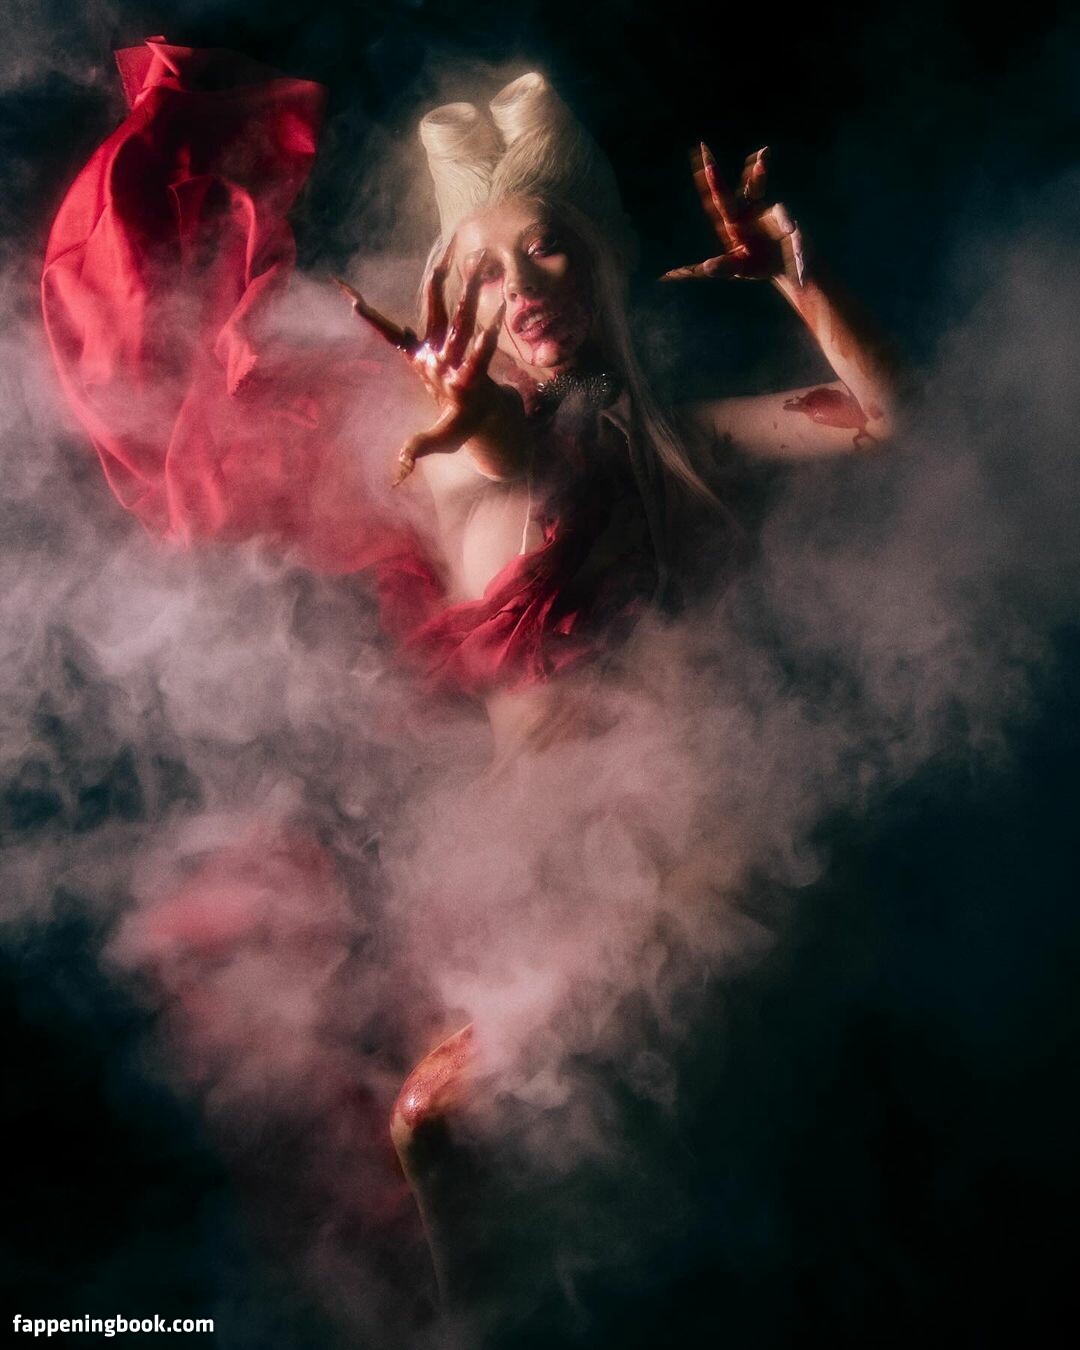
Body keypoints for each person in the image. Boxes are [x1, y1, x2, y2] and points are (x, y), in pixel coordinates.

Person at [41, 38, 896, 1336]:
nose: (523, 285)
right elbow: (496, 460)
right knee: (474, 1158)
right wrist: (466, 415)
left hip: (686, 849)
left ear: (599, 257)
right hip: (524, 862)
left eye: (545, 247)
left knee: (556, 1161)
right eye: (485, 270)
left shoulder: (685, 445)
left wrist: (802, 279)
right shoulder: (460, 453)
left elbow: (882, 416)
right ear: (454, 301)